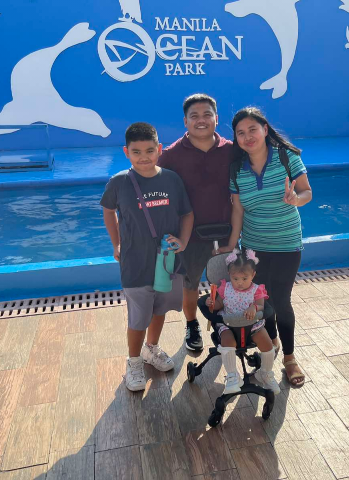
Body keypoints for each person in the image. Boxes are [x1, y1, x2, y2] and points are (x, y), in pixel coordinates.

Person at [219, 107, 312, 387]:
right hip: (254, 248)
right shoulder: (236, 168)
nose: (248, 136)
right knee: (262, 299)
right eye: (241, 133)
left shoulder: (287, 157)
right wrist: (232, 245)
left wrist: (296, 200)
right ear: (236, 138)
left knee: (281, 300)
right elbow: (238, 210)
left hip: (286, 244)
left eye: (253, 129)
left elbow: (306, 191)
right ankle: (271, 344)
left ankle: (290, 358)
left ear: (265, 130)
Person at [100, 122, 194, 392]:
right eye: (136, 151)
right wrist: (116, 243)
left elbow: (187, 213)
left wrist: (183, 241)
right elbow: (108, 211)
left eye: (150, 150)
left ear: (159, 149)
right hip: (135, 262)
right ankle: (133, 361)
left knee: (160, 308)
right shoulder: (119, 182)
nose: (144, 157)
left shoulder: (172, 180)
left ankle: (151, 348)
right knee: (138, 315)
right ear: (126, 152)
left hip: (167, 261)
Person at [158, 93, 232, 352]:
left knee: (224, 283)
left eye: (207, 115)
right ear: (185, 121)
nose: (201, 120)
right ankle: (192, 324)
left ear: (216, 118)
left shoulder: (231, 151)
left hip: (225, 233)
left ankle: (222, 324)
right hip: (190, 235)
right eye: (195, 116)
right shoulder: (171, 155)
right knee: (189, 284)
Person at [206, 249, 280, 395]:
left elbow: (261, 305)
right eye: (235, 279)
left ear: (253, 275)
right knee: (227, 341)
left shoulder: (257, 290)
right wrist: (212, 303)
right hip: (228, 323)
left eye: (244, 279)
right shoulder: (225, 287)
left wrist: (254, 307)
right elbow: (219, 304)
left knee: (267, 344)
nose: (240, 283)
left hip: (252, 325)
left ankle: (264, 373)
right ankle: (233, 376)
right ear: (229, 275)